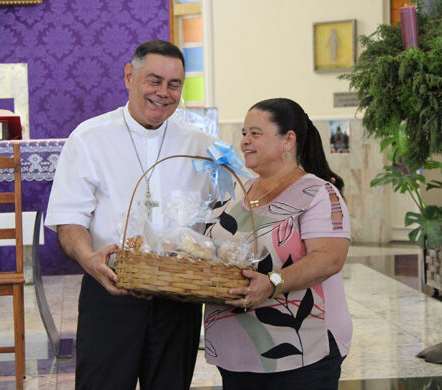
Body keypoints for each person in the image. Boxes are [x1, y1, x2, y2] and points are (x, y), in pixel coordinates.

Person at [45, 40, 214, 390]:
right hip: (111, 287)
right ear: (129, 76)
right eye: (154, 80)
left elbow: (219, 218)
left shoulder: (199, 145)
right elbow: (69, 219)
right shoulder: (89, 138)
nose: (163, 93)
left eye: (174, 84)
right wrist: (90, 259)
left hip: (178, 294)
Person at [203, 98, 351, 390]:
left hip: (302, 354)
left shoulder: (318, 193)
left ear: (288, 140)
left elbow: (329, 258)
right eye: (244, 133)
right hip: (235, 353)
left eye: (255, 133)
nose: (245, 141)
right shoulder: (234, 190)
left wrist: (272, 283)